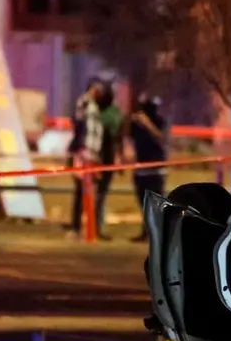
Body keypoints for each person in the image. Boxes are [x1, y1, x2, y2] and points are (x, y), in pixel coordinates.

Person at [67, 78, 105, 239]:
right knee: (81, 191)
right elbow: (81, 124)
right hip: (84, 154)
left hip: (90, 154)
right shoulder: (86, 104)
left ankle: (85, 227)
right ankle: (77, 227)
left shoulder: (94, 107)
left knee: (88, 192)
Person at [128, 94, 168, 242]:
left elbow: (162, 138)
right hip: (140, 169)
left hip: (156, 170)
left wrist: (148, 124)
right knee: (143, 203)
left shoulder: (160, 122)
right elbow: (128, 139)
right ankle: (146, 232)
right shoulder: (136, 125)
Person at [95, 83, 124, 241]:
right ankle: (97, 226)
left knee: (99, 194)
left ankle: (97, 226)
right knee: (101, 194)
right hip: (107, 157)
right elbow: (119, 139)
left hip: (103, 156)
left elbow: (117, 138)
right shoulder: (115, 113)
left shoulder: (100, 112)